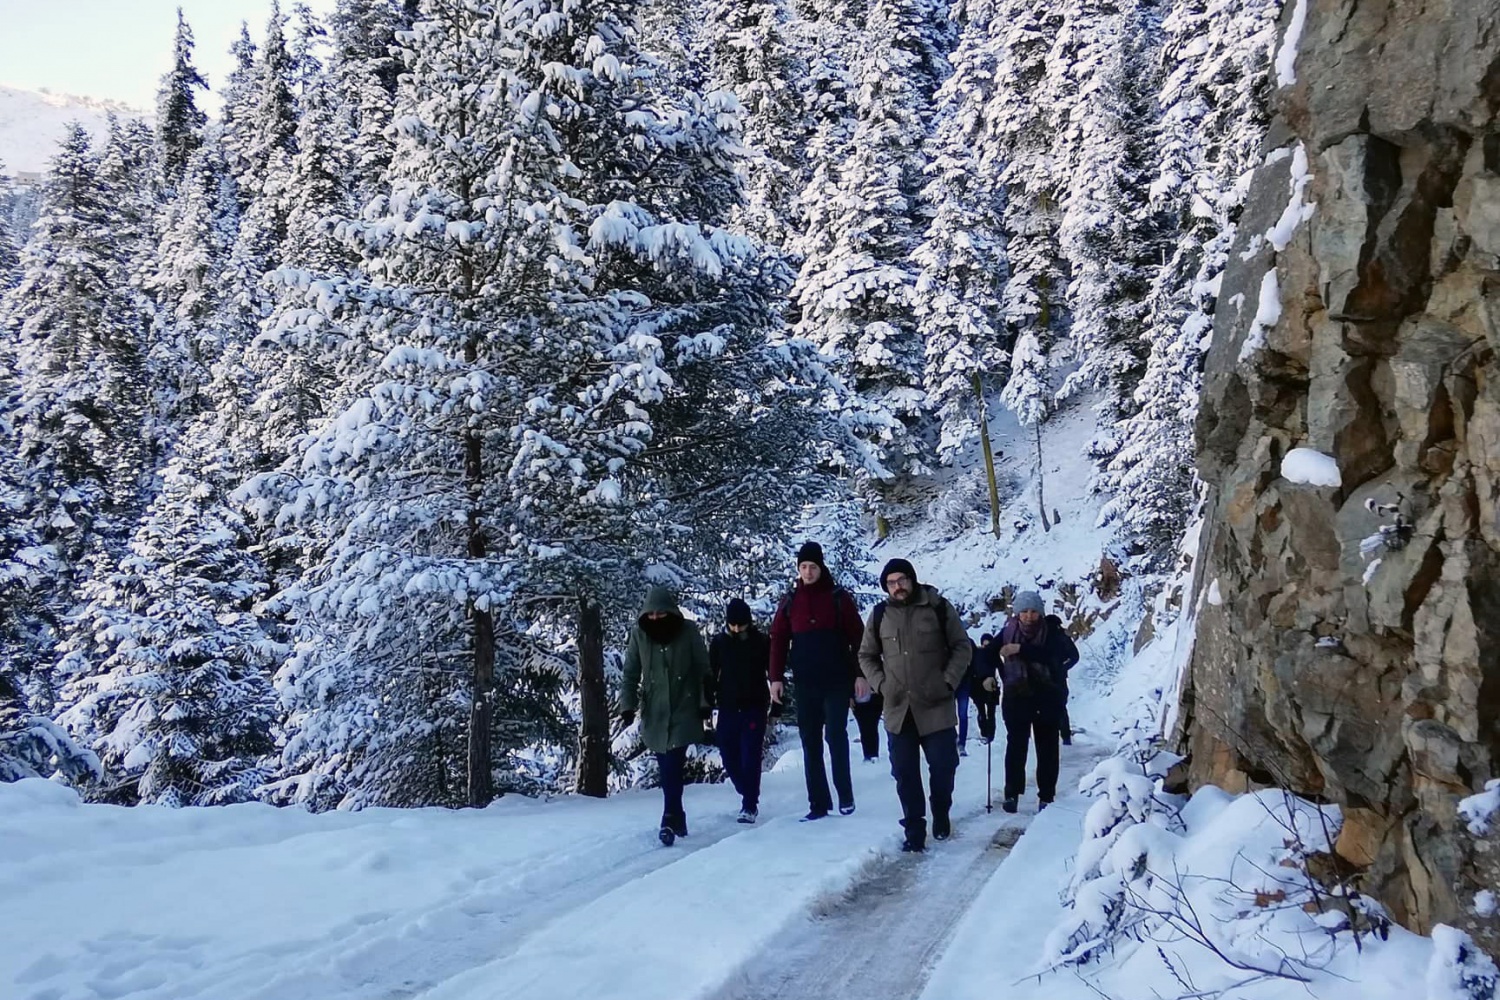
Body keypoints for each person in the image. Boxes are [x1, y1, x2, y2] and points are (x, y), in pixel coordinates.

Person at [858, 558, 971, 852]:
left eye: (902, 580)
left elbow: (962, 646)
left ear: (912, 580)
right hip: (899, 708)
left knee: (944, 767)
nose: (897, 587)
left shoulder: (937, 607)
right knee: (905, 773)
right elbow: (866, 655)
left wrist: (948, 681)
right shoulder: (880, 614)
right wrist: (881, 685)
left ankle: (941, 811)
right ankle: (914, 828)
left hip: (936, 704)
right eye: (891, 583)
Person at [769, 541, 867, 820]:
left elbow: (858, 638)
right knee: (810, 741)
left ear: (821, 568)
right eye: (803, 567)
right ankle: (818, 804)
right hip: (805, 684)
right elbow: (777, 641)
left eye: (813, 567)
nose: (808, 572)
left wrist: (860, 674)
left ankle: (845, 796)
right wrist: (775, 678)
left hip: (836, 680)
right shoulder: (790, 602)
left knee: (836, 735)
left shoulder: (838, 598)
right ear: (798, 569)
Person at [619, 586, 712, 845]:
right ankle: (678, 814)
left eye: (661, 613)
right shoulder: (639, 635)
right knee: (666, 765)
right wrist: (627, 706)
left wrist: (705, 703)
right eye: (652, 614)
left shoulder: (688, 632)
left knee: (673, 762)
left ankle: (668, 817)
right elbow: (630, 673)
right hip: (656, 711)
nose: (656, 618)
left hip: (684, 705)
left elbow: (703, 670)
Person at [996, 591, 1079, 814]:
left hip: (1047, 698)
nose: (1029, 616)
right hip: (1017, 697)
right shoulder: (1008, 632)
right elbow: (988, 655)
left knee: (1047, 748)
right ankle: (1011, 794)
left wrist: (1021, 650)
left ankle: (1046, 796)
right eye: (1024, 611)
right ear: (1017, 613)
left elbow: (1057, 656)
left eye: (1033, 611)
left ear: (1040, 612)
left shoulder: (1052, 632)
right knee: (1016, 747)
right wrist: (987, 675)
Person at [709, 598, 771, 824]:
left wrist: (777, 702)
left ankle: (749, 804)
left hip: (754, 706)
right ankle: (745, 789)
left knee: (750, 755)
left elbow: (773, 673)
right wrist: (706, 703)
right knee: (728, 753)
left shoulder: (762, 642)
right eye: (732, 625)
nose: (736, 629)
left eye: (741, 625)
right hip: (727, 706)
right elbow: (710, 673)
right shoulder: (719, 643)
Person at [972, 633, 1000, 744]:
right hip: (979, 686)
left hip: (991, 686)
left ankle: (990, 734)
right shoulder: (978, 653)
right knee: (982, 712)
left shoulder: (993, 655)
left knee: (991, 712)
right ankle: (985, 732)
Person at [852, 683, 884, 763]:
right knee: (865, 727)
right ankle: (870, 756)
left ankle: (871, 756)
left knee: (871, 726)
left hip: (878, 687)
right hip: (858, 690)